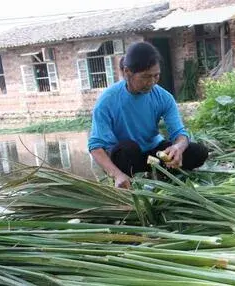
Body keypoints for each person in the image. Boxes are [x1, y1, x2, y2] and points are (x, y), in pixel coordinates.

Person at [88, 42, 208, 189]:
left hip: (154, 155)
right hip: (128, 158)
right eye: (145, 77)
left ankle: (159, 172)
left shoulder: (164, 97)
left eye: (156, 76)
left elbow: (180, 134)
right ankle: (127, 179)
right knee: (127, 149)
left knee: (198, 152)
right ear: (127, 72)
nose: (151, 82)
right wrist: (116, 174)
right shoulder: (107, 100)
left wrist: (178, 147)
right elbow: (95, 147)